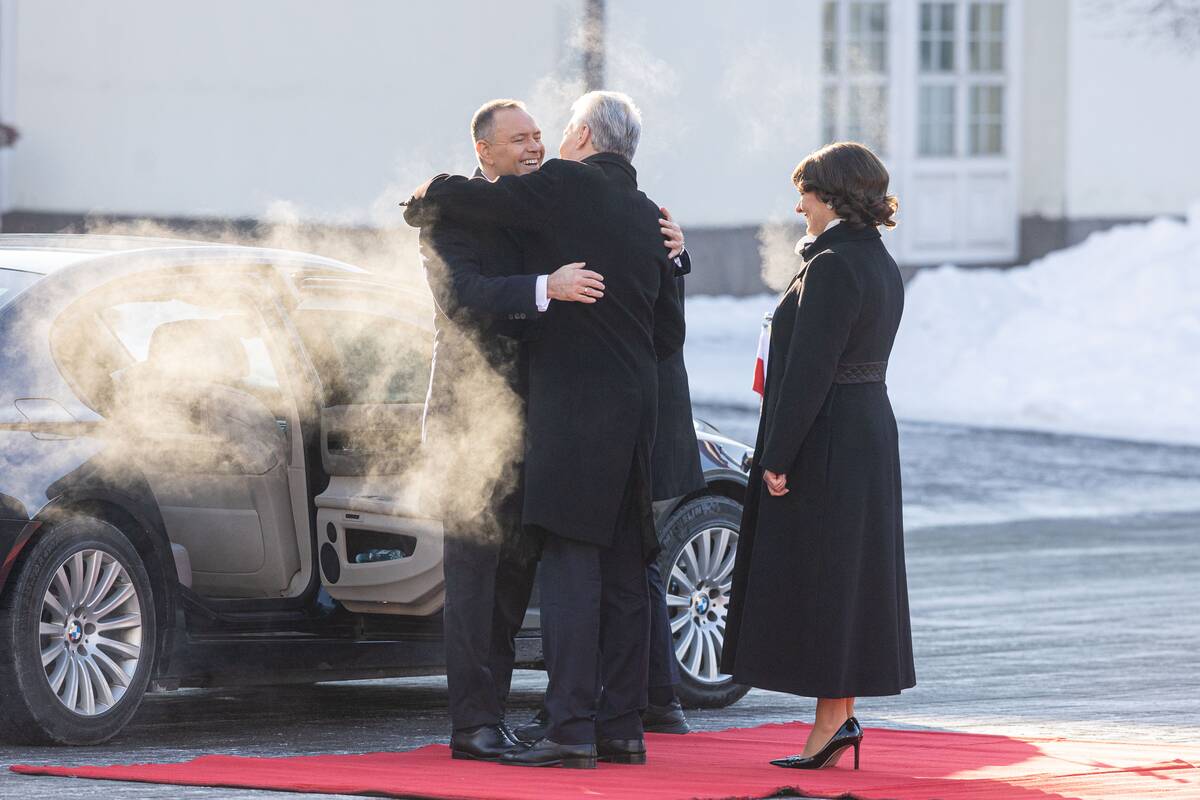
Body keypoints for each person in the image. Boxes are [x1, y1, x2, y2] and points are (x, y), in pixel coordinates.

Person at [405, 90, 685, 769]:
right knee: (474, 583)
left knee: (516, 583)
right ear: (484, 151)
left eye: (540, 134)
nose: (534, 147)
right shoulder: (453, 216)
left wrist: (673, 251)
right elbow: (461, 297)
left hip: (545, 426)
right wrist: (542, 287)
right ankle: (474, 725)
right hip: (473, 423)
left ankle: (541, 719)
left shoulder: (550, 201)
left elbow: (626, 277)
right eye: (519, 139)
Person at [720, 141, 915, 770]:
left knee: (830, 581)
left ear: (832, 195)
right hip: (865, 430)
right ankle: (839, 719)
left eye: (806, 190)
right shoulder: (878, 261)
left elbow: (810, 371)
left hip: (830, 435)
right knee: (849, 577)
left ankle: (831, 723)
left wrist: (776, 456)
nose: (798, 202)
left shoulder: (831, 265)